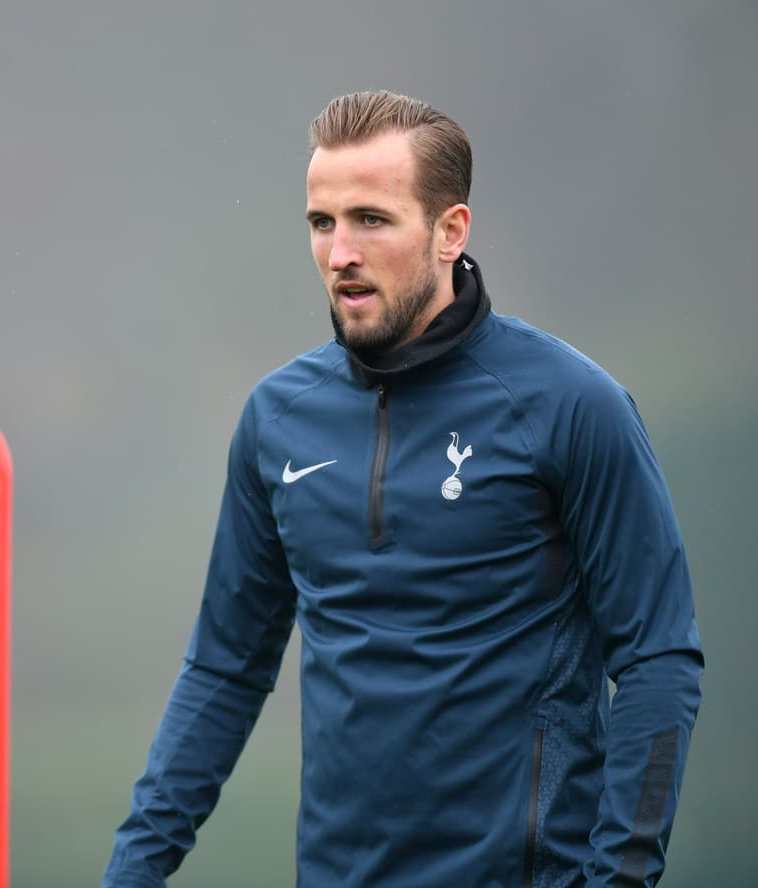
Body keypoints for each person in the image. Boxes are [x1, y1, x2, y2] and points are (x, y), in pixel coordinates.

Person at [101, 91, 703, 887]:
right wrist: (131, 871)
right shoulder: (277, 418)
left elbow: (660, 659)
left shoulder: (570, 406)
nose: (339, 251)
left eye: (371, 220)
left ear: (450, 231)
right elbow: (225, 670)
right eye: (323, 222)